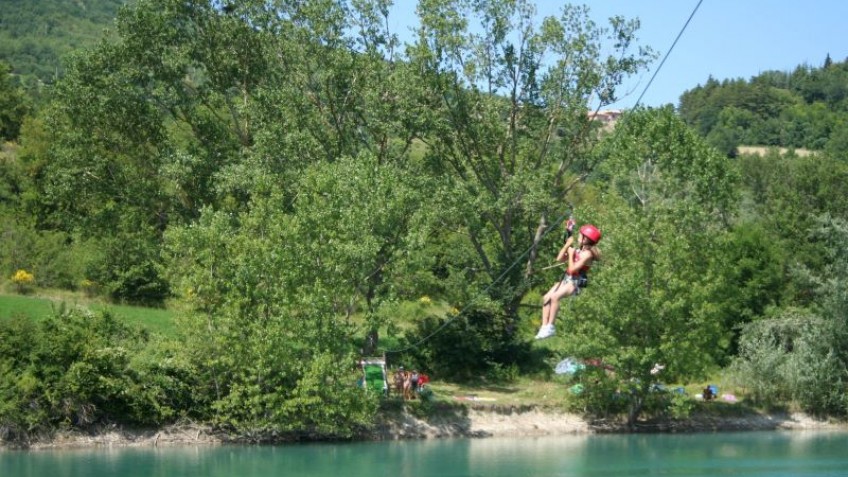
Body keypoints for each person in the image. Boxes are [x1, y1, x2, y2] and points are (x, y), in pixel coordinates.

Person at [536, 223, 602, 339]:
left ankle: (551, 326)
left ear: (586, 239)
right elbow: (559, 259)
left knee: (555, 297)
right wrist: (567, 246)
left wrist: (571, 255)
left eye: (580, 235)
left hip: (575, 283)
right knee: (546, 298)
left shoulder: (587, 254)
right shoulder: (578, 250)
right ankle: (544, 326)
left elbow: (572, 269)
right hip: (567, 280)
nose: (578, 236)